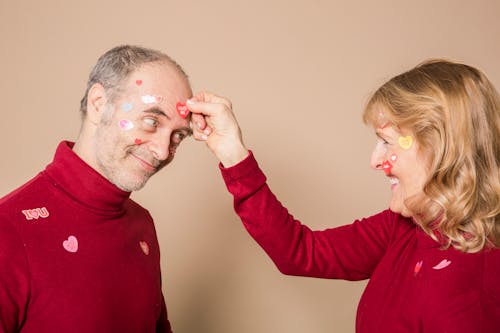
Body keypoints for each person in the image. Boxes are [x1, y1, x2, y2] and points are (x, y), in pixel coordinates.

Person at [187, 60, 500, 332]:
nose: (375, 161)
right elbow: (298, 251)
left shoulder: (483, 280)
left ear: (442, 149)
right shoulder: (403, 227)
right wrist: (232, 153)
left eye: (388, 142)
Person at [0, 45, 193, 332]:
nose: (163, 151)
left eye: (178, 135)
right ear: (99, 103)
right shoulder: (8, 228)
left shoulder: (141, 223)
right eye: (152, 122)